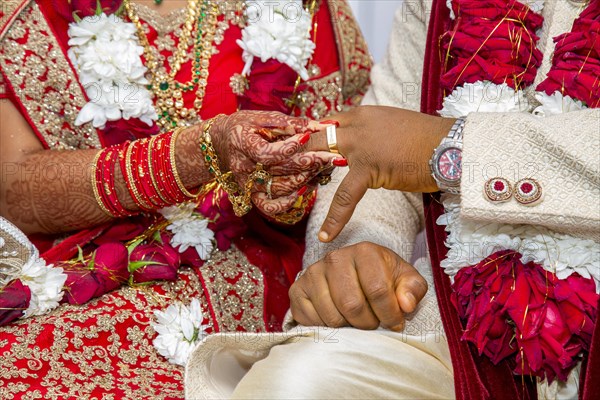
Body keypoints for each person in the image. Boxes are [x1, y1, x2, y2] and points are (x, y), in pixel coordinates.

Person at [185, 1, 600, 399]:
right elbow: (377, 141)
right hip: (457, 322)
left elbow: (416, 145)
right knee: (298, 381)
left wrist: (452, 151)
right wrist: (362, 257)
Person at [0, 0, 379, 397]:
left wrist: (288, 187)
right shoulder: (28, 11)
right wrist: (194, 155)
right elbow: (14, 193)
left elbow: (350, 156)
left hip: (260, 273)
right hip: (87, 270)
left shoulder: (303, 7)